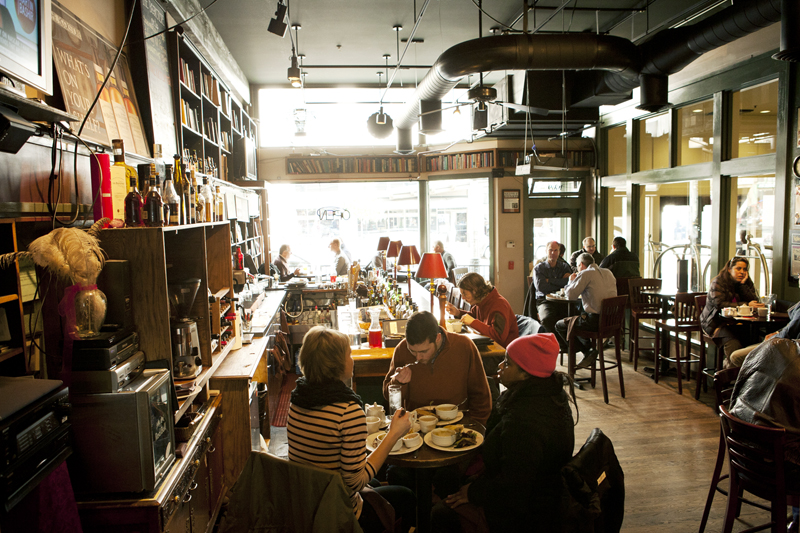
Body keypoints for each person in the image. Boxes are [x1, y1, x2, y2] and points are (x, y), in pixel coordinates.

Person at [433, 334, 576, 533]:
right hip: (539, 492)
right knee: (446, 478)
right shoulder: (550, 394)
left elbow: (514, 486)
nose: (500, 366)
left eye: (507, 363)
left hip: (527, 512)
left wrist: (473, 492)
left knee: (439, 514)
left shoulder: (525, 422)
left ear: (526, 373)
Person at [287, 326, 416, 532]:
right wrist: (393, 434)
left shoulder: (297, 399)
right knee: (407, 497)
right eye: (349, 354)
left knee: (374, 480)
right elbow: (355, 482)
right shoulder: (347, 410)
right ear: (335, 364)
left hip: (306, 503)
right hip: (338, 513)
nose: (352, 359)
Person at [382, 311, 492, 425]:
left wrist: (476, 425)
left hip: (457, 422)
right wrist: (398, 382)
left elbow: (481, 396)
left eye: (424, 351)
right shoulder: (402, 349)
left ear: (438, 338)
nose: (418, 358)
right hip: (415, 426)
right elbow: (387, 394)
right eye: (413, 351)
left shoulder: (464, 346)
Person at [555, 253, 617, 368]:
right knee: (577, 320)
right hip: (612, 322)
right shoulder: (608, 272)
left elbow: (570, 296)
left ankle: (587, 351)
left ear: (581, 265)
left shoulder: (585, 273)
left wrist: (571, 281)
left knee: (560, 325)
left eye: (578, 266)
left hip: (594, 322)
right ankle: (589, 351)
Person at [700, 256, 764, 366]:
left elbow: (754, 301)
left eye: (745, 269)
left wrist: (743, 285)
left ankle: (741, 372)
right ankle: (729, 374)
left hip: (738, 324)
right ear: (729, 269)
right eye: (738, 269)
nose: (742, 272)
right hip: (716, 323)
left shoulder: (746, 282)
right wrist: (745, 305)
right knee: (734, 344)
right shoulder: (718, 282)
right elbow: (719, 304)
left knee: (755, 341)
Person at [445, 272, 519, 348]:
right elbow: (474, 316)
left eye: (465, 294)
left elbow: (499, 337)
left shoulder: (499, 305)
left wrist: (473, 322)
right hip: (489, 345)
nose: (463, 298)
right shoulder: (481, 301)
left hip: (502, 352)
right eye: (462, 294)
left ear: (475, 291)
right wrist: (458, 313)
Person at [729, 304, 800, 366]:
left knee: (736, 357)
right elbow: (791, 327)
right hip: (786, 345)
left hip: (789, 350)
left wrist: (773, 337)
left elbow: (789, 333)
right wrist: (777, 332)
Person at [532, 241, 573, 334]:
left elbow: (570, 283)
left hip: (562, 301)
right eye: (550, 250)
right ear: (546, 251)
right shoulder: (539, 268)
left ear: (559, 252)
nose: (553, 253)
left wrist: (549, 280)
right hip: (544, 300)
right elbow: (541, 287)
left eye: (556, 250)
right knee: (547, 319)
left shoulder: (564, 266)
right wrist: (560, 282)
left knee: (573, 317)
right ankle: (556, 343)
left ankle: (569, 345)